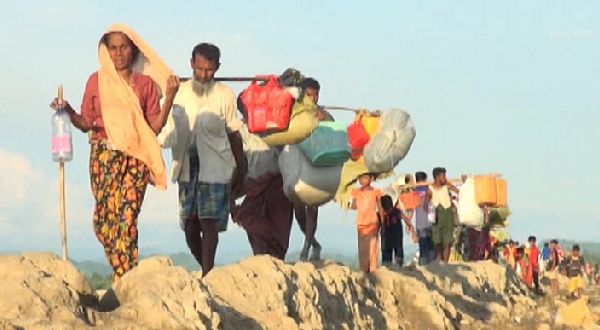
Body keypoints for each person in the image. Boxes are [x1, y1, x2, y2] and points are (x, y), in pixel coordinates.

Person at [50, 25, 179, 281]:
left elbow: (152, 126)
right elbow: (86, 122)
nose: (119, 53)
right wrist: (68, 111)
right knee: (104, 222)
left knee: (127, 218)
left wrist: (170, 98)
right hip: (103, 156)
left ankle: (125, 278)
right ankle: (124, 274)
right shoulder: (96, 81)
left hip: (136, 158)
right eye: (113, 48)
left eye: (124, 47)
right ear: (105, 51)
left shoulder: (145, 84)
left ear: (133, 50)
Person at [158, 43, 245, 277]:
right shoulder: (180, 92)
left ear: (217, 67)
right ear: (191, 64)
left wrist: (241, 169)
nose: (204, 75)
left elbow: (234, 133)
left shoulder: (225, 95)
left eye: (209, 70)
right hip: (187, 165)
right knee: (189, 225)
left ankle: (208, 275)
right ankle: (210, 271)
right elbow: (164, 128)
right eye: (199, 69)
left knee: (209, 221)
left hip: (216, 166)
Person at [293, 77, 331, 261]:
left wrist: (323, 121)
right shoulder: (295, 112)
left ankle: (306, 248)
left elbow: (334, 131)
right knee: (298, 212)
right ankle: (313, 242)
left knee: (312, 208)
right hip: (298, 167)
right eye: (309, 94)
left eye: (316, 94)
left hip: (316, 167)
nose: (313, 98)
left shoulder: (323, 114)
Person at [351, 173, 385, 273]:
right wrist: (342, 201)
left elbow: (380, 207)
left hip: (373, 223)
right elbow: (354, 206)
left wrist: (382, 223)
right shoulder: (356, 192)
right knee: (363, 249)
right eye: (360, 178)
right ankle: (364, 271)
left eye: (365, 178)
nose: (362, 180)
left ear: (371, 178)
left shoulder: (376, 191)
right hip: (361, 224)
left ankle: (373, 271)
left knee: (373, 249)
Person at [424, 167, 459, 263]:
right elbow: (425, 205)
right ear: (437, 177)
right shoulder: (430, 189)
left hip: (448, 215)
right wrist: (431, 215)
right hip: (437, 215)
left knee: (447, 241)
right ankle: (439, 256)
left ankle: (445, 263)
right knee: (437, 241)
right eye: (443, 176)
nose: (445, 178)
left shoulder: (446, 186)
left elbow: (457, 190)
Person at [413, 171, 435, 265]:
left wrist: (410, 226)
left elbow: (410, 208)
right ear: (425, 179)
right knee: (431, 246)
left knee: (423, 247)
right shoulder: (430, 188)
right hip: (431, 219)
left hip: (420, 223)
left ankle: (424, 267)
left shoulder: (414, 191)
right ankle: (433, 265)